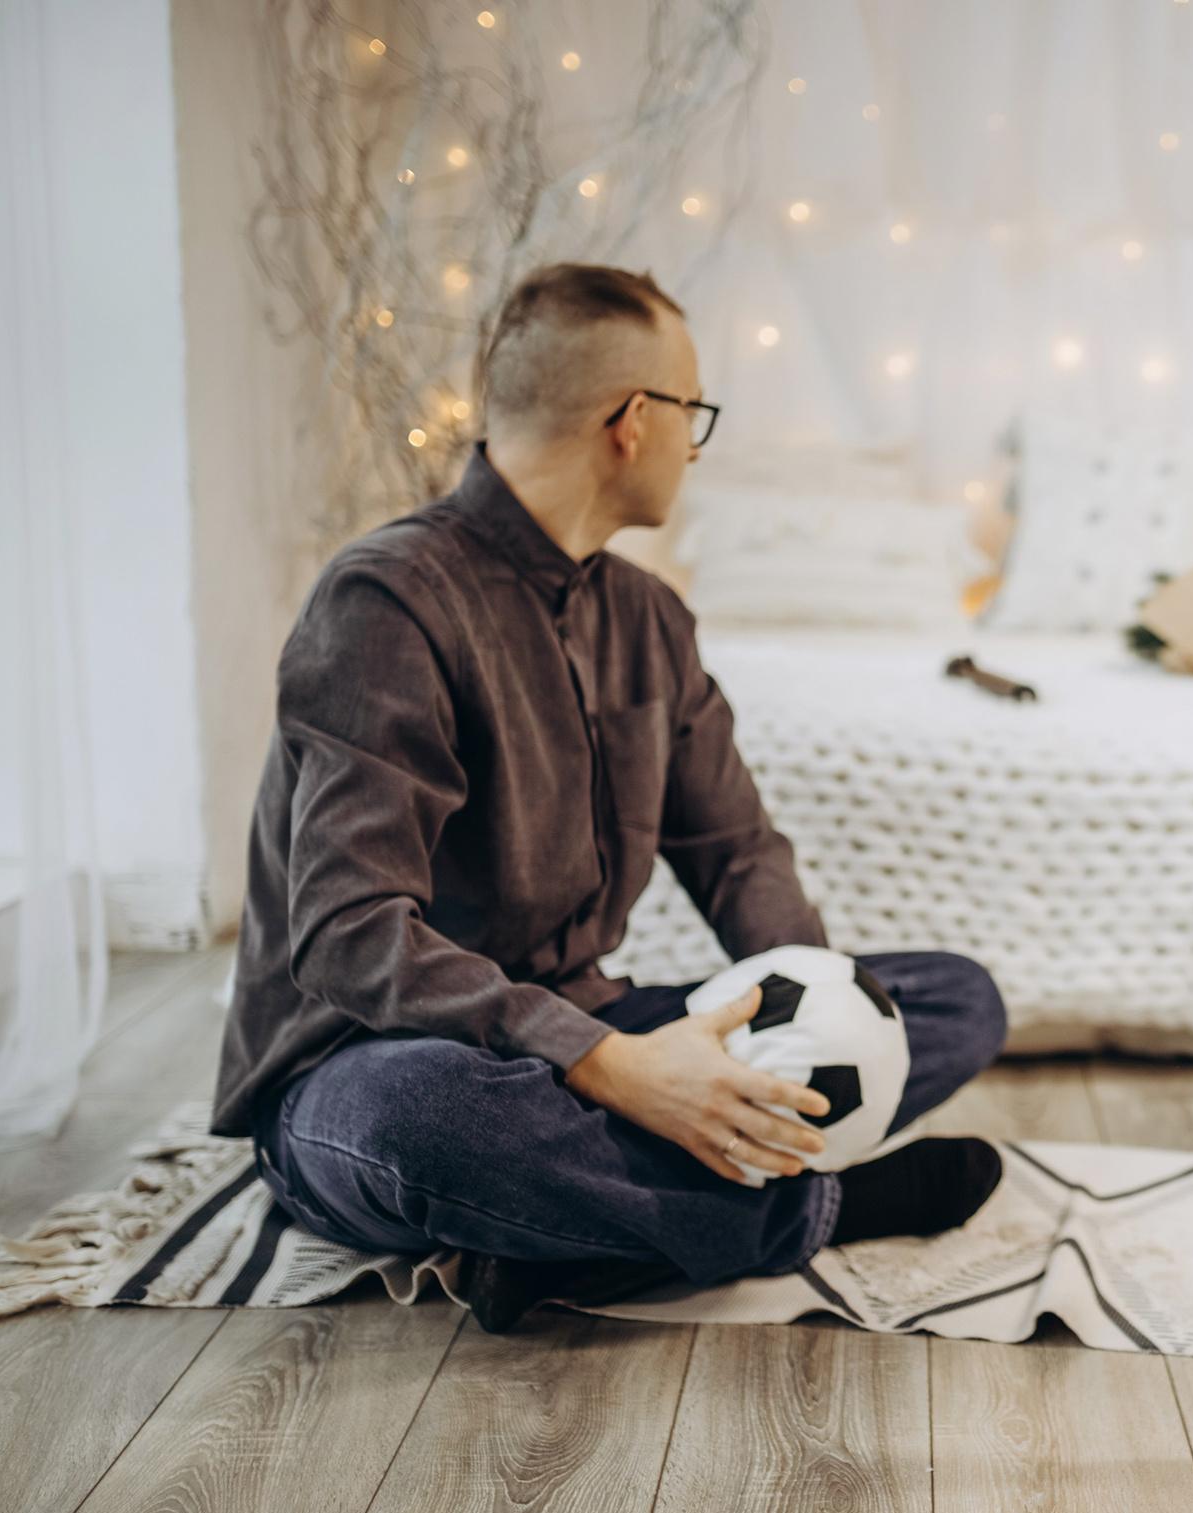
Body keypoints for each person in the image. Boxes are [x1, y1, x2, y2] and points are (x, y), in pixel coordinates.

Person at [213, 263, 1008, 1332]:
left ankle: (574, 1241)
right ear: (633, 423)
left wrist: (810, 1014)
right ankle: (822, 1207)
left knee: (955, 997)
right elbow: (349, 936)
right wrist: (607, 1067)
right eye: (694, 413)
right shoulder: (385, 602)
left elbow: (734, 850)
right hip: (369, 1063)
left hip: (589, 1023)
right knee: (432, 1122)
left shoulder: (649, 618)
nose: (695, 441)